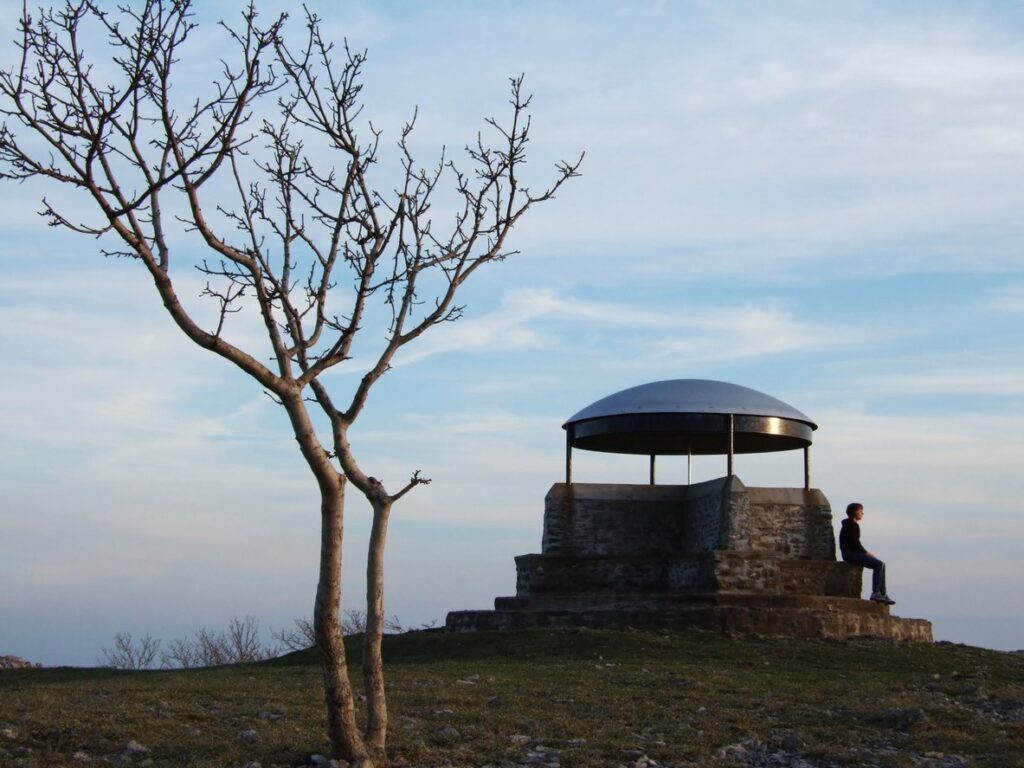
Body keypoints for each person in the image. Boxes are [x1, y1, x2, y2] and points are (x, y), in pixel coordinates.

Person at [839, 502, 895, 605]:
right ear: (854, 512)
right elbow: (854, 544)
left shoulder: (851, 525)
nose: (862, 513)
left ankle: (882, 593)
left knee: (882, 564)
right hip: (850, 554)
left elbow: (855, 543)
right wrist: (866, 553)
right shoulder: (851, 525)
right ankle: (876, 592)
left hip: (851, 553)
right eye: (860, 511)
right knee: (878, 564)